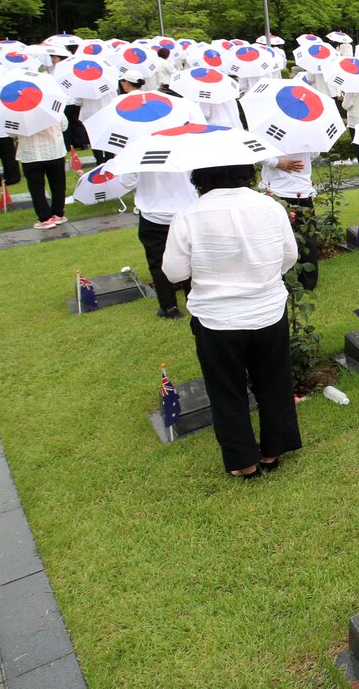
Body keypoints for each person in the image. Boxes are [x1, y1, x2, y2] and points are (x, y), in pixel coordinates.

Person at [162, 163, 301, 479]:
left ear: (201, 176)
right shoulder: (270, 206)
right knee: (274, 382)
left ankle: (244, 462)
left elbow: (174, 272)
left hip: (217, 318)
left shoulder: (189, 214)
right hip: (266, 310)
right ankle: (271, 451)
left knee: (226, 389)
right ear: (246, 172)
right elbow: (289, 256)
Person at [122, 170, 198, 318]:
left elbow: (127, 181)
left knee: (158, 262)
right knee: (192, 257)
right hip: (186, 207)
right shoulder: (189, 145)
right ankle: (194, 301)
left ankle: (169, 307)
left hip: (153, 211)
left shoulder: (137, 147)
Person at [259, 151, 319, 290]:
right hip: (298, 189)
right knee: (307, 237)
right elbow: (315, 153)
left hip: (280, 189)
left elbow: (258, 153)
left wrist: (279, 163)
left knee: (280, 238)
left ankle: (290, 280)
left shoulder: (267, 130)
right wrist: (282, 163)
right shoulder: (308, 129)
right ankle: (307, 282)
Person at [17, 117, 69, 229]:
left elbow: (11, 132)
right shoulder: (52, 105)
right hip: (54, 150)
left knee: (36, 188)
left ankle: (45, 218)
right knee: (58, 184)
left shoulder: (17, 110)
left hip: (31, 153)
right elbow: (64, 125)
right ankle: (58, 213)